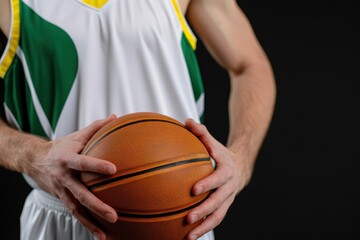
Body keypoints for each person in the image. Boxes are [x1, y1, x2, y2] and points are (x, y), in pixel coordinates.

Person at [0, 0, 276, 239]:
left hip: (178, 214)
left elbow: (250, 65)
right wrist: (33, 155)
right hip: (64, 214)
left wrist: (241, 161)